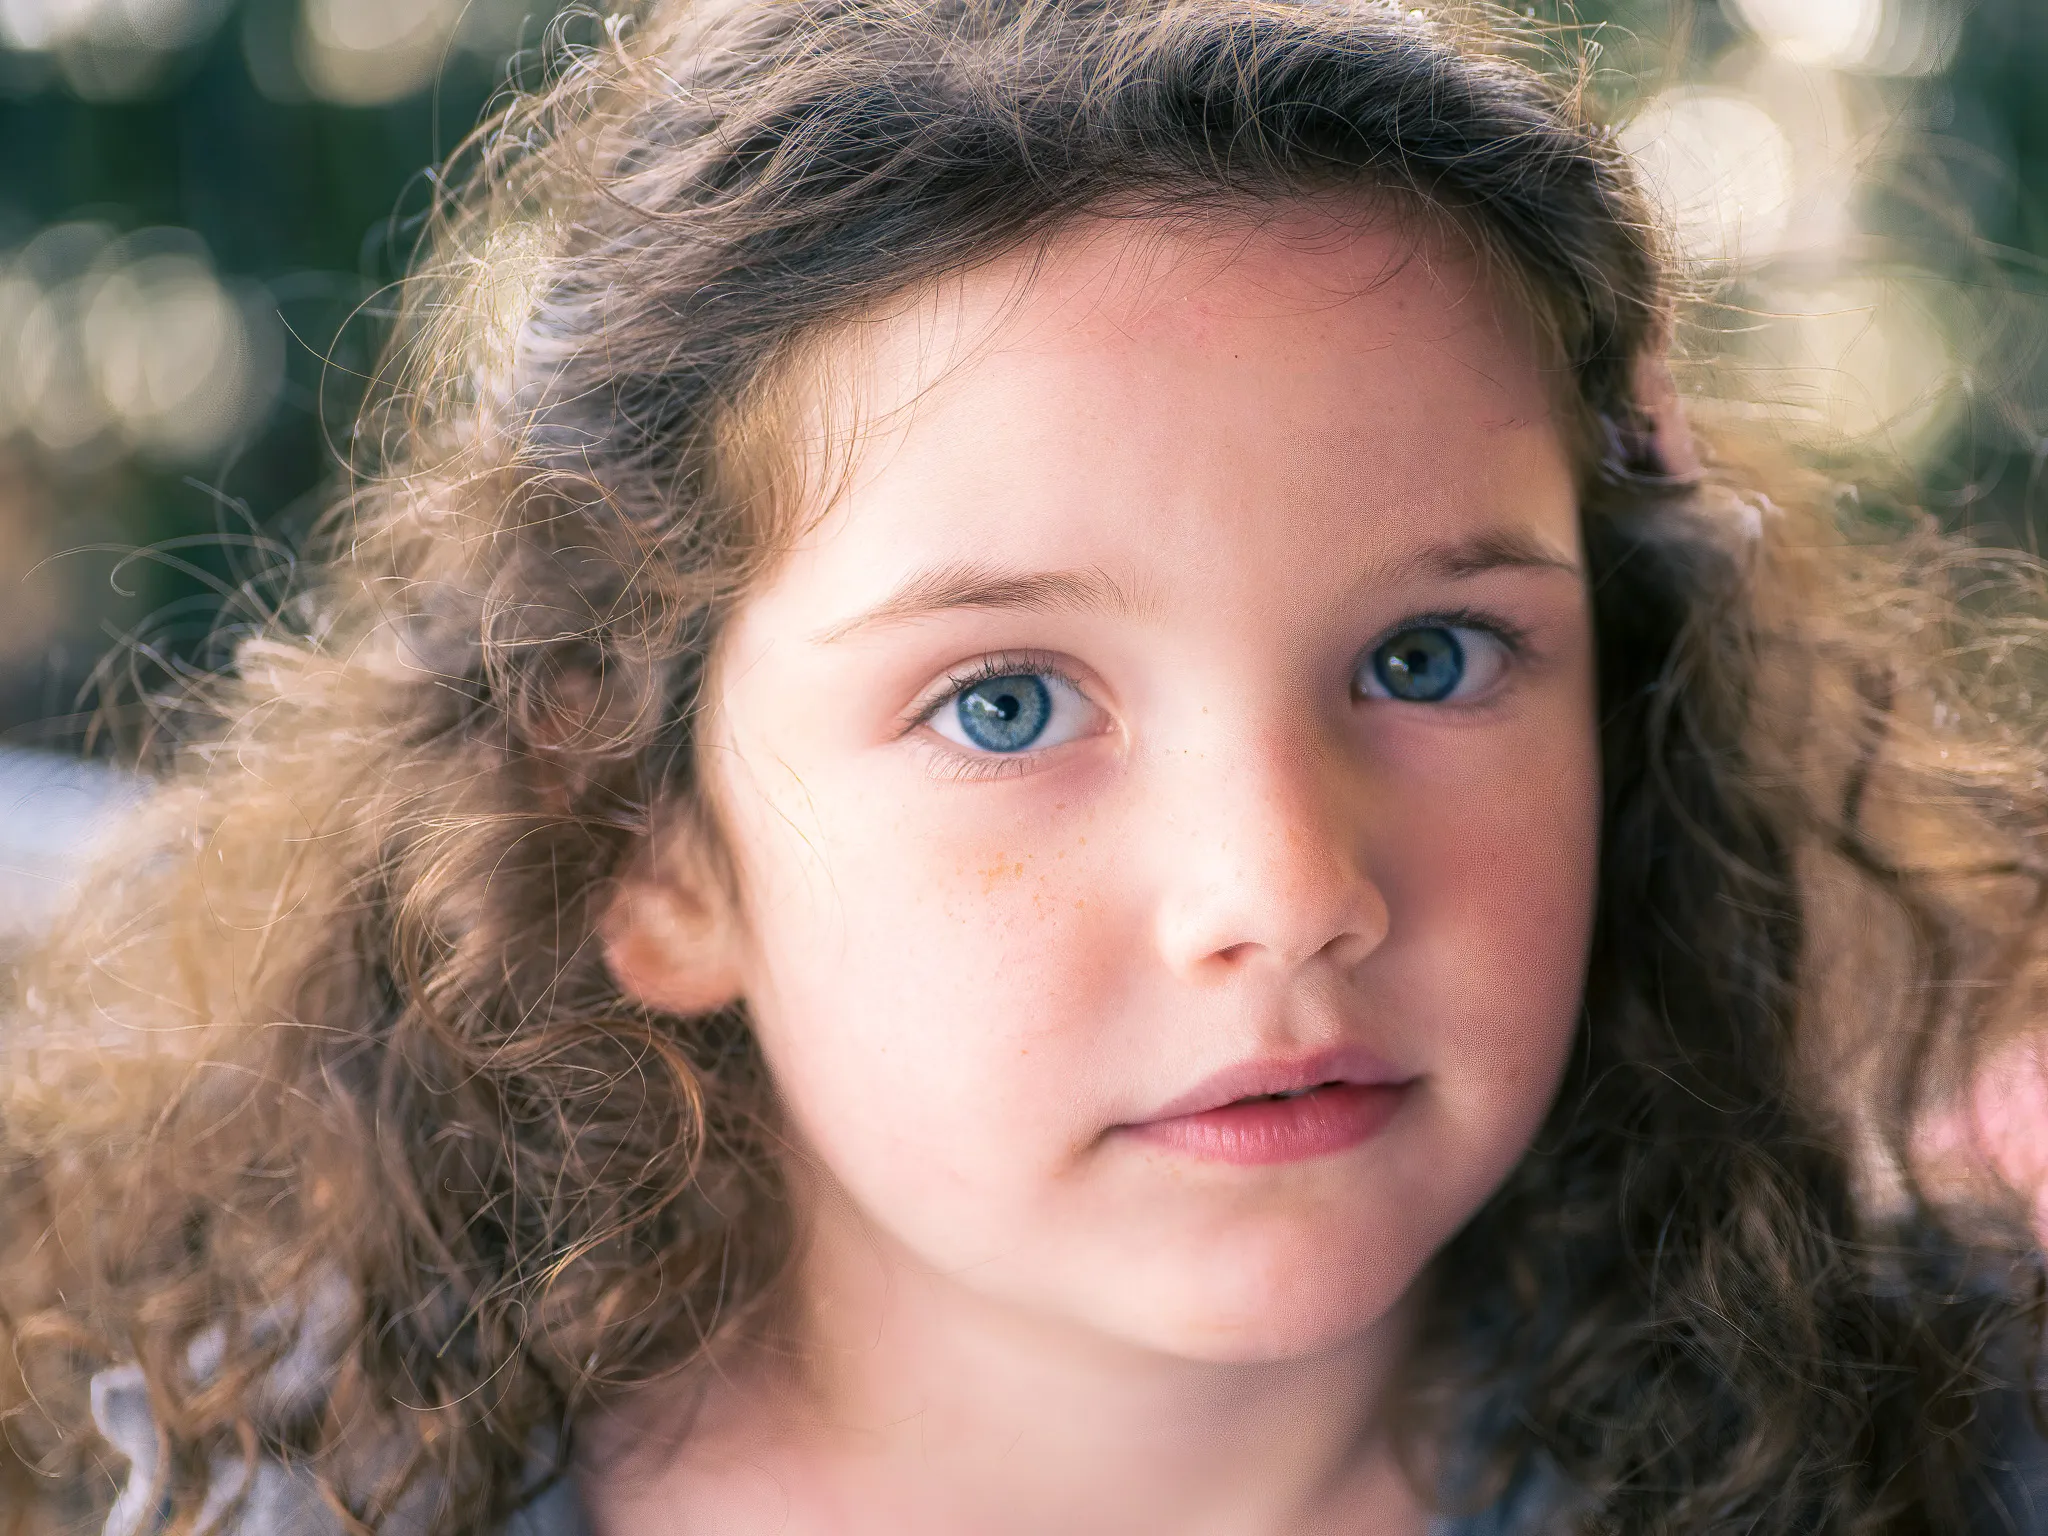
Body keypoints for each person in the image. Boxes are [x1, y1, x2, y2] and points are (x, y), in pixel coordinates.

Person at [4, 1, 2046, 1531]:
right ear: (643, 839)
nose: (1281, 886)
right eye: (1005, 702)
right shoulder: (280, 1496)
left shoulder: (1944, 1449)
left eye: (1428, 657)